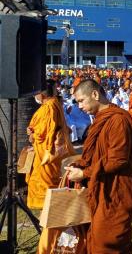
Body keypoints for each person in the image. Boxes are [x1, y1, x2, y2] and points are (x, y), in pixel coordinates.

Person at [66, 79, 132, 253]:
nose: (79, 106)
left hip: (116, 190)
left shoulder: (118, 120)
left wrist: (84, 173)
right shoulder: (100, 119)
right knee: (97, 238)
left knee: (108, 242)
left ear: (95, 94)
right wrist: (79, 164)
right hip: (100, 187)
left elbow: (118, 159)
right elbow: (95, 154)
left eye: (81, 101)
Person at [26, 80, 75, 209]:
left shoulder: (49, 107)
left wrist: (32, 135)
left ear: (41, 94)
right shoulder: (54, 104)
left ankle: (45, 205)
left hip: (45, 153)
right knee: (49, 177)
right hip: (47, 151)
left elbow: (44, 132)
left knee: (44, 180)